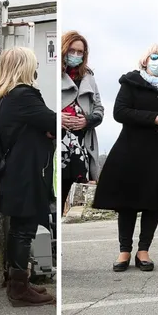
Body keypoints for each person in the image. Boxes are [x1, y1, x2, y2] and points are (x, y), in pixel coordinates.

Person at [91, 44, 158, 272]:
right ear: (144, 60)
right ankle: (124, 250)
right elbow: (120, 112)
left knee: (152, 203)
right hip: (131, 150)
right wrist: (152, 118)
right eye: (155, 57)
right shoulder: (131, 82)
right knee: (128, 203)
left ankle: (144, 250)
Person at [0, 47, 57, 308]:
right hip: (26, 172)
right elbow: (53, 121)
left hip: (16, 170)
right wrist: (47, 131)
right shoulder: (24, 95)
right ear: (24, 67)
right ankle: (19, 289)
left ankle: (20, 282)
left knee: (20, 228)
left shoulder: (4, 95)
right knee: (24, 230)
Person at [60, 31, 103, 207]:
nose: (76, 55)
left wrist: (87, 121)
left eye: (80, 52)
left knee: (78, 188)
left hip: (82, 142)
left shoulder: (89, 77)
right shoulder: (57, 74)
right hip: (59, 140)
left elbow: (99, 109)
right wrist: (58, 117)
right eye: (72, 50)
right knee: (59, 187)